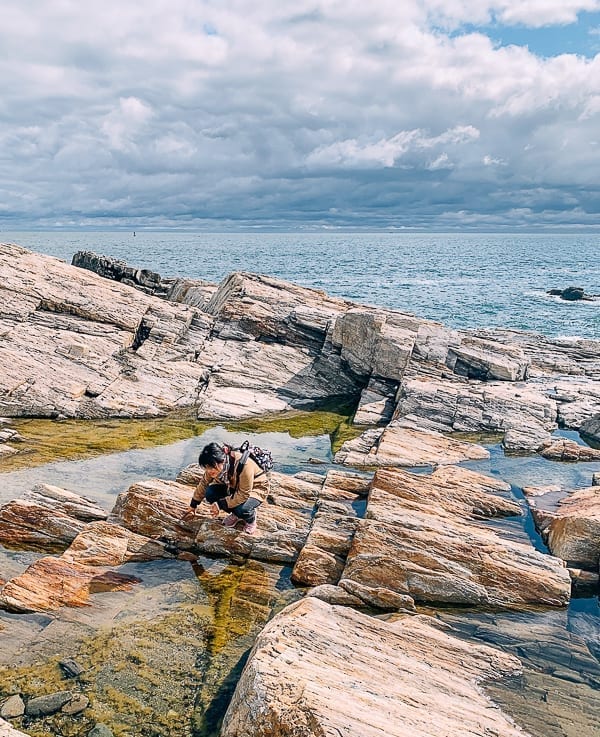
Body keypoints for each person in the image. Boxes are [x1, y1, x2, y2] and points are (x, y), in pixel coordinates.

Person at [180, 441, 268, 535]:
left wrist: (220, 504)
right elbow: (204, 483)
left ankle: (251, 519)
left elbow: (244, 494)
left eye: (211, 467)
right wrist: (193, 505)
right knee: (210, 493)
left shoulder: (244, 464)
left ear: (221, 460)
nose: (209, 471)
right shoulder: (214, 466)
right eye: (206, 467)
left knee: (242, 509)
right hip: (234, 486)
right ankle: (236, 515)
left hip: (255, 488)